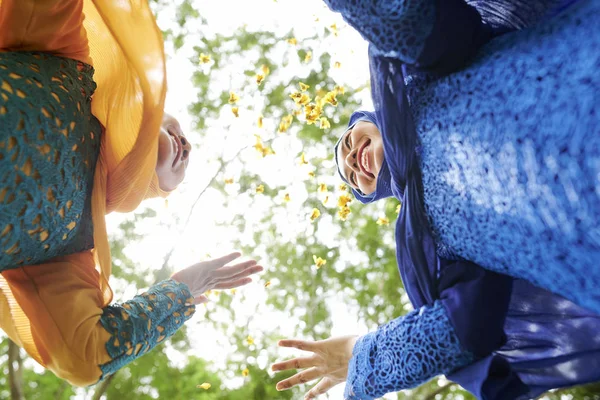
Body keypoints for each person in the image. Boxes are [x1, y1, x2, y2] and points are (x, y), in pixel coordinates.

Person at [272, 0, 600, 399]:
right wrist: (361, 355)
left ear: (368, 119)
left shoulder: (416, 74)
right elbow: (463, 328)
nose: (349, 160)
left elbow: (410, 18)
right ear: (372, 195)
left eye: (346, 143)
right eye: (351, 180)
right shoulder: (428, 243)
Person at [0, 0, 263, 386]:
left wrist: (180, 291)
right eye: (180, 130)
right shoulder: (63, 56)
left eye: (184, 165)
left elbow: (85, 356)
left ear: (148, 195)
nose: (186, 146)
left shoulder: (68, 258)